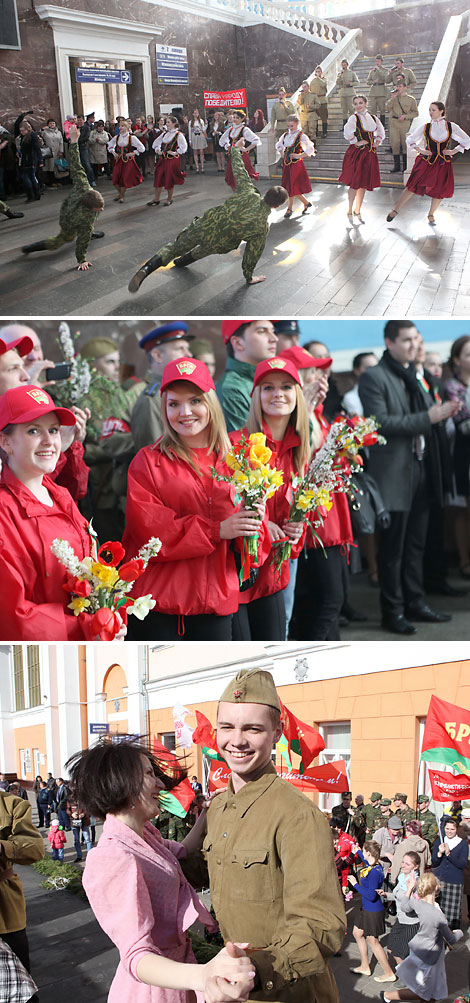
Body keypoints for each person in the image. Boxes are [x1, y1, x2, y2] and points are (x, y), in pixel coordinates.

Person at [67, 737, 255, 1003]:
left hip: (176, 978)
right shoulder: (112, 856)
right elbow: (137, 956)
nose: (158, 783)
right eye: (148, 774)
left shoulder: (143, 834)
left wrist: (206, 814)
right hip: (153, 992)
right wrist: (204, 976)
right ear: (121, 782)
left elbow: (182, 852)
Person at [205, 667, 346, 1003]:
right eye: (227, 727)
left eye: (252, 729)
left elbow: (322, 924)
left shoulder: (297, 815)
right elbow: (192, 869)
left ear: (277, 732)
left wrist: (257, 972)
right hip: (233, 987)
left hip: (287, 990)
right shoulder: (217, 807)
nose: (236, 740)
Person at [123, 358, 267, 641]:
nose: (185, 412)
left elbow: (254, 553)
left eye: (195, 401)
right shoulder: (148, 461)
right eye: (174, 403)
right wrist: (217, 530)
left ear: (211, 404)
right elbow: (151, 531)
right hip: (158, 603)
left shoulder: (239, 460)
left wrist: (254, 524)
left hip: (216, 600)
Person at [359, 319, 459, 634]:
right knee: (394, 550)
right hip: (395, 473)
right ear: (389, 343)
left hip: (424, 467)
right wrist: (428, 417)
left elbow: (432, 410)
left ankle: (416, 602)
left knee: (417, 545)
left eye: (416, 339)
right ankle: (393, 611)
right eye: (406, 340)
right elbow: (381, 423)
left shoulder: (418, 375)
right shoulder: (375, 377)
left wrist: (441, 411)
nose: (414, 345)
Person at [0, 384, 121, 641]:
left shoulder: (58, 494)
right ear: (5, 442)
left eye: (53, 430)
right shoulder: (4, 512)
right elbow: (13, 615)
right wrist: (85, 627)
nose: (49, 441)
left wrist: (108, 617)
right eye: (34, 431)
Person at [128, 146, 287, 292]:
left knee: (175, 247)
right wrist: (249, 275)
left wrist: (236, 149)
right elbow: (252, 254)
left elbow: (239, 170)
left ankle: (147, 268)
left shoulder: (248, 193)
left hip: (205, 225)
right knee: (202, 250)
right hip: (220, 242)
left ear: (266, 194)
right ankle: (181, 262)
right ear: (277, 206)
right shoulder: (261, 228)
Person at [230, 355, 309, 641]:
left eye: (286, 387)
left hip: (280, 563)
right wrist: (262, 523)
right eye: (268, 388)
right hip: (241, 563)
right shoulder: (236, 443)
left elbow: (304, 502)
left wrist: (299, 527)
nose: (278, 394)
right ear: (256, 395)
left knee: (278, 635)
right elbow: (225, 501)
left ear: (297, 395)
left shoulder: (301, 449)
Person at [21, 123, 104, 271]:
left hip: (69, 208)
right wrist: (82, 260)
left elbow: (76, 164)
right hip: (68, 221)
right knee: (60, 241)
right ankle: (29, 248)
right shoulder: (86, 219)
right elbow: (82, 243)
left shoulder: (83, 185)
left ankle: (90, 232)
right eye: (99, 209)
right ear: (90, 209)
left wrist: (73, 141)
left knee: (86, 229)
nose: (102, 209)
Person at [380, 871, 463, 1003]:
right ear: (436, 888)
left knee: (431, 991)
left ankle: (389, 996)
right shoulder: (437, 915)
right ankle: (387, 995)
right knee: (424, 992)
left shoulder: (417, 903)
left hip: (422, 950)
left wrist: (409, 887)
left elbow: (405, 906)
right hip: (429, 955)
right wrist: (459, 932)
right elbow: (451, 939)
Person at [387, 101, 470, 224]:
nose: (430, 112)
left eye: (433, 110)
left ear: (441, 111)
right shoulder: (426, 126)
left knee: (439, 189)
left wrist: (454, 151)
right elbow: (411, 139)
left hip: (442, 162)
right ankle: (395, 210)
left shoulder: (451, 126)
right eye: (430, 110)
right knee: (412, 185)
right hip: (426, 161)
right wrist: (419, 149)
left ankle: (431, 214)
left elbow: (466, 140)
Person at [0, 785, 44, 1001]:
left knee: (19, 988)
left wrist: (3, 848)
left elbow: (35, 849)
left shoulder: (12, 804)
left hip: (5, 915)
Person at [130, 322, 194, 453]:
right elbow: (154, 456)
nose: (189, 355)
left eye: (187, 348)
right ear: (158, 355)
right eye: (180, 349)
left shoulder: (177, 390)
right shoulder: (152, 399)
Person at [216, 318, 278, 432]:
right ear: (238, 343)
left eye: (273, 331)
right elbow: (246, 446)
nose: (274, 339)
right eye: (262, 331)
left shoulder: (264, 380)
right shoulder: (231, 389)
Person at [348, 839, 397, 983]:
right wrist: (356, 850)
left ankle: (389, 972)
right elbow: (365, 858)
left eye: (364, 851)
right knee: (357, 933)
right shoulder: (374, 864)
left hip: (373, 910)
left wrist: (355, 884)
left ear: (369, 853)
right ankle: (365, 966)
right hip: (365, 909)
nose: (363, 854)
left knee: (373, 940)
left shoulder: (374, 872)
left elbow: (371, 895)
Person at [444, 335, 470, 578]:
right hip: (464, 452)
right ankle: (464, 560)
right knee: (464, 509)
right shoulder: (453, 387)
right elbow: (461, 421)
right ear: (457, 360)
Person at [339, 94, 385, 222]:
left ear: (365, 103)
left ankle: (358, 209)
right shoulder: (353, 118)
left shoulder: (373, 118)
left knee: (363, 183)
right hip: (357, 154)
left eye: (360, 103)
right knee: (354, 182)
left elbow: (381, 131)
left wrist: (378, 141)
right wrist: (355, 141)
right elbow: (347, 132)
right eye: (356, 103)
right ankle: (349, 208)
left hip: (370, 153)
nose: (358, 106)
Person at [380, 852, 421, 966]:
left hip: (411, 923)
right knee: (391, 949)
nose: (403, 865)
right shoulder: (402, 877)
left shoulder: (415, 884)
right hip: (401, 920)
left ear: (415, 866)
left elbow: (407, 907)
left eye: (407, 864)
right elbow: (396, 894)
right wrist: (387, 895)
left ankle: (407, 978)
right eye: (403, 862)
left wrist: (409, 890)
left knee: (398, 954)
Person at [432, 815, 469, 929]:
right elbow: (434, 862)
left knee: (452, 912)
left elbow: (462, 864)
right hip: (440, 880)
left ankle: (450, 938)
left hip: (454, 882)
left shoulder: (462, 844)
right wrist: (439, 854)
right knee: (438, 910)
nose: (449, 831)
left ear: (457, 829)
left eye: (452, 829)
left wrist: (449, 854)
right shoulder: (439, 841)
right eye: (447, 828)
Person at [276, 114, 314, 219]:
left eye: (292, 126)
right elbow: (279, 145)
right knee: (289, 186)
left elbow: (310, 148)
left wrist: (299, 155)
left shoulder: (301, 135)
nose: (290, 128)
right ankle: (304, 203)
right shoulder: (285, 135)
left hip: (296, 164)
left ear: (297, 124)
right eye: (288, 126)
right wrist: (282, 153)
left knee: (292, 186)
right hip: (287, 164)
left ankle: (291, 208)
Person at [147, 115, 187, 208]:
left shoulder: (178, 134)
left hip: (172, 160)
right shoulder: (164, 134)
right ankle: (156, 199)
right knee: (158, 176)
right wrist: (158, 150)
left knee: (169, 178)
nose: (167, 124)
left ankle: (169, 198)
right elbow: (155, 143)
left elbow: (184, 148)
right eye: (166, 122)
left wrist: (175, 152)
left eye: (168, 122)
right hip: (163, 159)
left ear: (174, 123)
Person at [107, 119, 145, 203]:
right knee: (115, 179)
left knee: (124, 179)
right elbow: (110, 145)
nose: (120, 127)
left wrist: (133, 153)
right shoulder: (117, 137)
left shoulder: (132, 137)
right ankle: (120, 194)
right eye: (120, 126)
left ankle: (121, 196)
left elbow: (142, 148)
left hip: (128, 161)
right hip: (119, 160)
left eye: (122, 126)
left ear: (127, 127)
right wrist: (113, 152)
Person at [386, 81, 418, 174]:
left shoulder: (411, 99)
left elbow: (415, 113)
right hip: (394, 123)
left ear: (405, 87)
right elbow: (387, 108)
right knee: (395, 143)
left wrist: (405, 117)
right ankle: (396, 166)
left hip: (404, 123)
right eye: (397, 86)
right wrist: (392, 99)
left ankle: (405, 166)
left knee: (405, 144)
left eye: (400, 86)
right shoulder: (394, 98)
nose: (398, 88)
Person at [17, 121, 42, 202]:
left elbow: (37, 149)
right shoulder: (24, 137)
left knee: (28, 177)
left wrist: (40, 160)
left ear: (27, 129)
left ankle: (32, 195)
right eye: (21, 131)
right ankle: (35, 194)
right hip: (27, 159)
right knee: (31, 177)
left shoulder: (31, 136)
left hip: (31, 160)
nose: (21, 132)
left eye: (23, 130)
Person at [40, 117, 67, 185]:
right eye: (50, 123)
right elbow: (39, 136)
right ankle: (51, 181)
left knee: (57, 166)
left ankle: (58, 180)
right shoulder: (44, 132)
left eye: (53, 123)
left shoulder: (58, 132)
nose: (52, 125)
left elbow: (61, 142)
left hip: (57, 151)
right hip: (48, 152)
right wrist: (42, 129)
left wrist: (61, 151)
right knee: (49, 167)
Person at [336, 60, 360, 126]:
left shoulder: (352, 73)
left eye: (344, 65)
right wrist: (340, 76)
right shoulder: (340, 73)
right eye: (342, 65)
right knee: (344, 110)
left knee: (351, 109)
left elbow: (357, 82)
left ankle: (353, 124)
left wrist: (350, 83)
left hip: (350, 92)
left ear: (347, 65)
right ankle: (345, 125)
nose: (343, 66)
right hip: (343, 92)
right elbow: (337, 83)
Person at [366, 55, 388, 124]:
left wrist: (379, 70)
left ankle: (382, 124)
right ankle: (374, 124)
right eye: (376, 61)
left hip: (381, 91)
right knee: (373, 109)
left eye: (378, 61)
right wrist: (374, 82)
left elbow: (386, 78)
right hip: (373, 91)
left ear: (382, 62)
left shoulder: (385, 71)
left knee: (382, 109)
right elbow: (368, 82)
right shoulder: (372, 71)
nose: (377, 63)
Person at [310, 66, 328, 137]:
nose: (317, 73)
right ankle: (316, 132)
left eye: (319, 71)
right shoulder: (313, 81)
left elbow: (324, 85)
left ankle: (324, 132)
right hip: (315, 101)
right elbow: (311, 90)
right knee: (315, 117)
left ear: (321, 72)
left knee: (324, 117)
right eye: (316, 72)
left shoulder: (324, 79)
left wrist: (318, 78)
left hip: (322, 100)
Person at [188, 109, 208, 173]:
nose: (195, 114)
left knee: (201, 151)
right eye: (194, 113)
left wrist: (206, 124)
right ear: (192, 114)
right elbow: (189, 131)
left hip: (201, 136)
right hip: (194, 137)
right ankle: (197, 167)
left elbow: (203, 130)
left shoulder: (201, 121)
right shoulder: (191, 122)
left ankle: (202, 167)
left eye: (197, 113)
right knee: (195, 152)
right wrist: (190, 140)